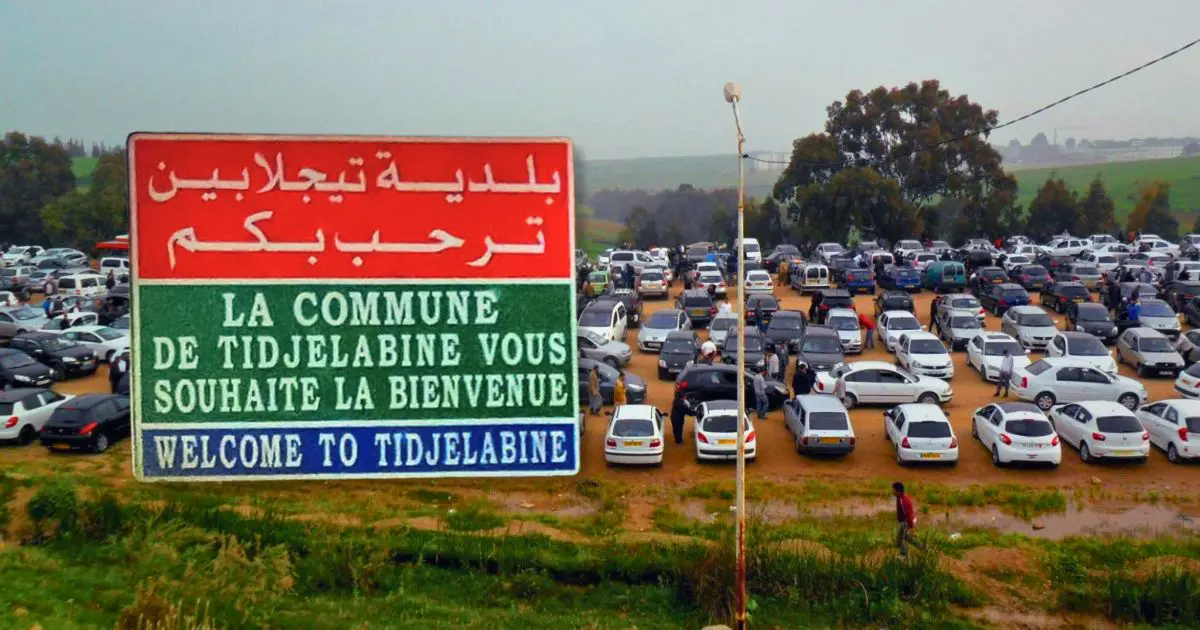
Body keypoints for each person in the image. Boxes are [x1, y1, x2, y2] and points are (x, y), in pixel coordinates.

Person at [893, 482, 924, 558]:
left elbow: (908, 515)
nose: (892, 491)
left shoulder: (903, 501)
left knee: (903, 538)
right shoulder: (899, 498)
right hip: (904, 521)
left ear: (898, 491)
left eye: (893, 490)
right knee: (906, 537)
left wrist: (912, 528)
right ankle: (922, 547)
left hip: (907, 521)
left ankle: (903, 556)